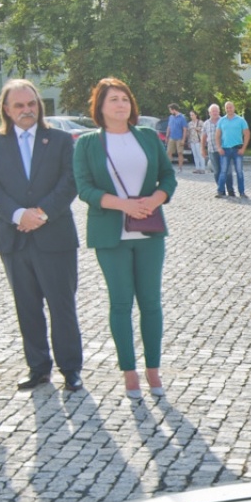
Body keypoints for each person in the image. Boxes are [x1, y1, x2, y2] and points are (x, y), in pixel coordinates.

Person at [72, 77, 176, 400]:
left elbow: (168, 176)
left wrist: (156, 199)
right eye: (114, 99)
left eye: (125, 99)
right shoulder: (87, 143)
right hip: (110, 233)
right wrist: (124, 204)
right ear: (100, 107)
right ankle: (129, 371)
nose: (121, 104)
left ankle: (153, 369)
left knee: (151, 303)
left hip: (149, 231)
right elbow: (85, 189)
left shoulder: (146, 137)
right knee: (120, 302)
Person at [0, 78, 85, 393]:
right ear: (7, 110)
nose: (27, 111)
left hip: (55, 236)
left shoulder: (61, 140)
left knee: (61, 305)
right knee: (26, 306)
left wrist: (39, 214)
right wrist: (18, 215)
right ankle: (38, 368)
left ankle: (71, 369)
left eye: (31, 104)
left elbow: (70, 181)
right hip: (14, 239)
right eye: (19, 106)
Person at [216, 101, 250, 198]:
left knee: (239, 172)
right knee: (223, 171)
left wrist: (244, 148)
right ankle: (220, 191)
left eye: (230, 107)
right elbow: (217, 135)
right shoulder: (221, 121)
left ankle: (242, 192)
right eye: (227, 108)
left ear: (234, 108)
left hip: (237, 149)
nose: (229, 109)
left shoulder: (241, 120)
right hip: (225, 149)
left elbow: (247, 134)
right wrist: (219, 147)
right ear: (225, 109)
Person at [198, 104, 222, 195]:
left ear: (219, 111)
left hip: (223, 150)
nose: (215, 113)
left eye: (216, 111)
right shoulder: (206, 123)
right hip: (212, 150)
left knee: (225, 170)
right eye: (213, 111)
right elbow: (203, 138)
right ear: (209, 113)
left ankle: (228, 188)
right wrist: (202, 149)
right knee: (216, 171)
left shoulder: (223, 121)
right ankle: (220, 188)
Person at [164, 104, 186, 169]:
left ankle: (180, 167)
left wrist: (183, 139)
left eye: (170, 110)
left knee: (180, 153)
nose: (170, 111)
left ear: (174, 110)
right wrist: (167, 136)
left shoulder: (182, 117)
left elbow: (185, 129)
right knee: (169, 152)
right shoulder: (171, 117)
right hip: (171, 137)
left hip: (179, 138)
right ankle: (168, 167)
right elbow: (169, 127)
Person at [186, 109, 204, 173]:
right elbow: (188, 133)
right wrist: (188, 142)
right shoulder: (189, 124)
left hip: (199, 140)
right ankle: (197, 168)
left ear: (196, 115)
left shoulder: (200, 122)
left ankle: (202, 168)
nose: (191, 116)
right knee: (195, 155)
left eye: (192, 115)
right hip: (192, 141)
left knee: (200, 154)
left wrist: (198, 129)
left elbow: (204, 130)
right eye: (190, 115)